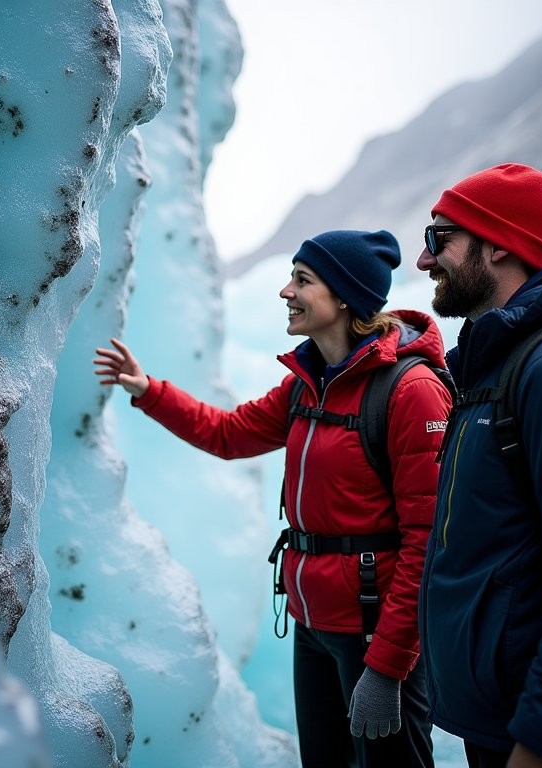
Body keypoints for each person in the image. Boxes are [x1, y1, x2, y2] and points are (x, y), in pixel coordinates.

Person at [94, 230, 452, 768]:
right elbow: (228, 433)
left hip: (374, 629)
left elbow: (427, 542)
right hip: (313, 620)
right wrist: (150, 391)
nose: (286, 291)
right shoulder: (308, 384)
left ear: (346, 298)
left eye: (303, 280)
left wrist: (387, 666)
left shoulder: (410, 390)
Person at [415, 163, 542, 768]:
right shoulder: (496, 366)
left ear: (499, 242)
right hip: (505, 717)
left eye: (440, 238)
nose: (425, 261)